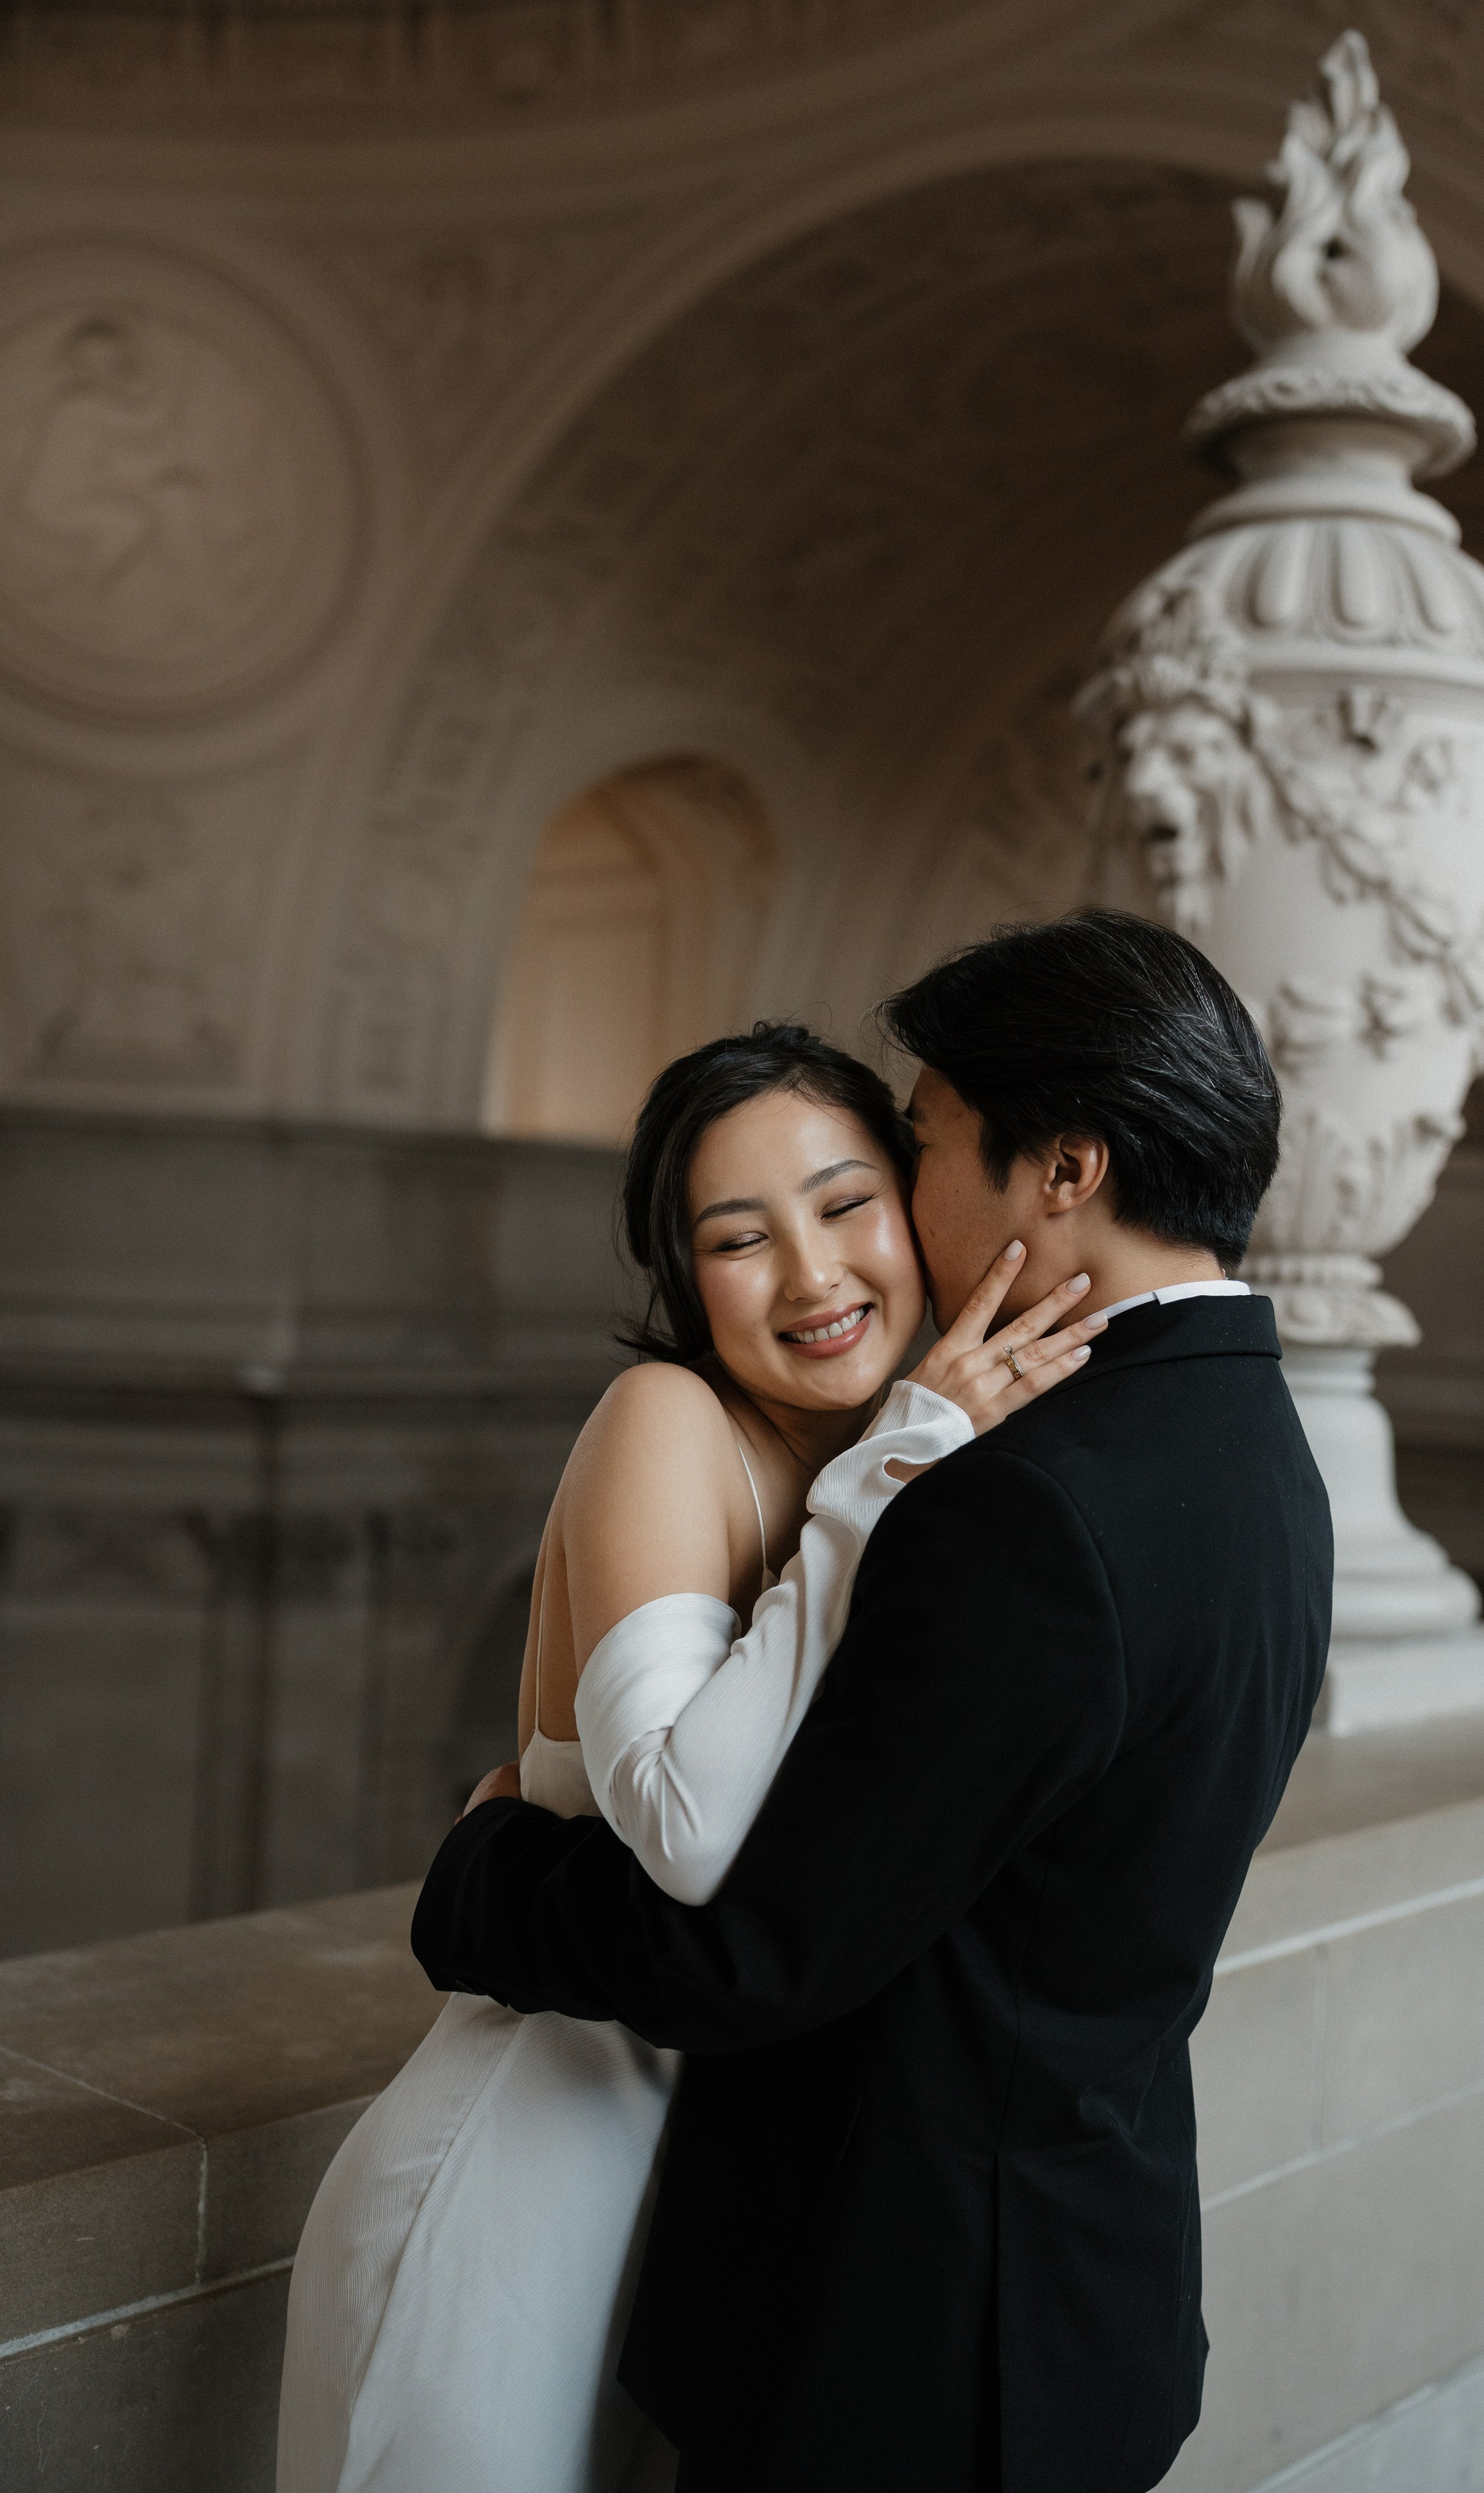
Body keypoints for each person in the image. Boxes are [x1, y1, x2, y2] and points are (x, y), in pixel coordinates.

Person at [414, 908, 1334, 2493]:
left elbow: (752, 1947)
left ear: (1063, 1170)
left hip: (905, 2356)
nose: (905, 1195)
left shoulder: (1029, 1506)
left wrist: (484, 1880)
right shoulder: (1258, 1448)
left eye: (922, 1143)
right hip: (1074, 2293)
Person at [277, 1022, 1098, 2493]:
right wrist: (891, 1466)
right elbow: (682, 1826)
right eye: (739, 1238)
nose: (812, 1275)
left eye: (845, 1205)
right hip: (530, 2169)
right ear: (680, 1275)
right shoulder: (672, 1420)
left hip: (728, 2207)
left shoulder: (920, 1463)